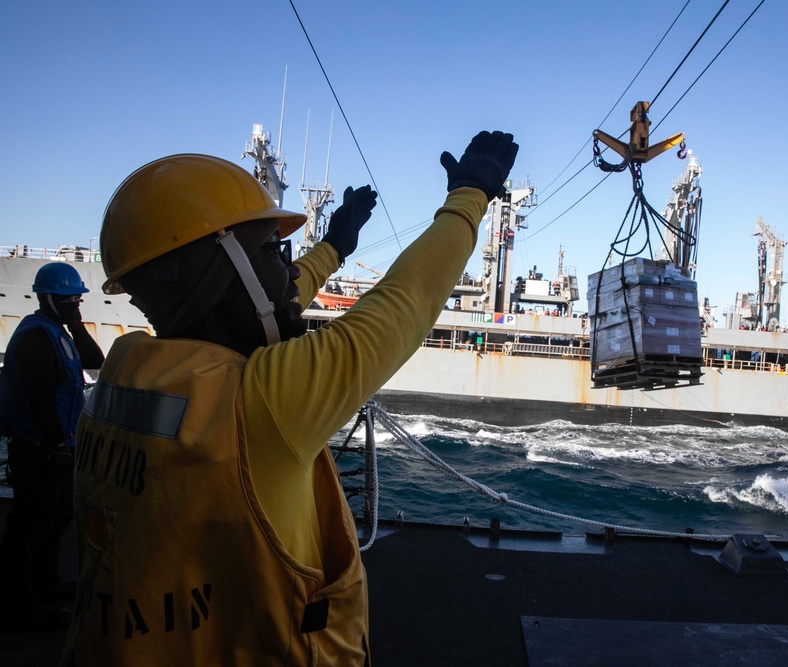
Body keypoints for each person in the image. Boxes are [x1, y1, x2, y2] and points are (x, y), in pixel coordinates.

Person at [63, 131, 517, 664]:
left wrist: (335, 248)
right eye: (275, 251)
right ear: (219, 273)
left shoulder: (125, 376)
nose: (288, 267)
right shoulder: (260, 400)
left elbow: (260, 300)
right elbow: (404, 302)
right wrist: (470, 195)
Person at [0, 263, 105, 631]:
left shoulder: (58, 332)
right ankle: (19, 606)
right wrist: (55, 444)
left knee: (58, 515)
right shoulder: (35, 337)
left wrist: (76, 323)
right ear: (48, 298)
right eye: (69, 300)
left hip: (59, 444)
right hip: (39, 447)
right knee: (31, 526)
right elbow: (38, 396)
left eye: (77, 299)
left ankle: (45, 583)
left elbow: (95, 362)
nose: (75, 304)